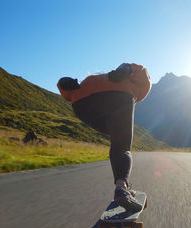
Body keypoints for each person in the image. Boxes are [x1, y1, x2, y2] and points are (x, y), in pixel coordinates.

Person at [57, 63, 151, 211]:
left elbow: (64, 87)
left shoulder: (90, 81)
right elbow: (140, 70)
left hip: (81, 104)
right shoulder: (135, 87)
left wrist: (65, 83)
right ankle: (121, 188)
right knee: (121, 146)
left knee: (117, 139)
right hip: (118, 96)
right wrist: (124, 70)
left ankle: (123, 187)